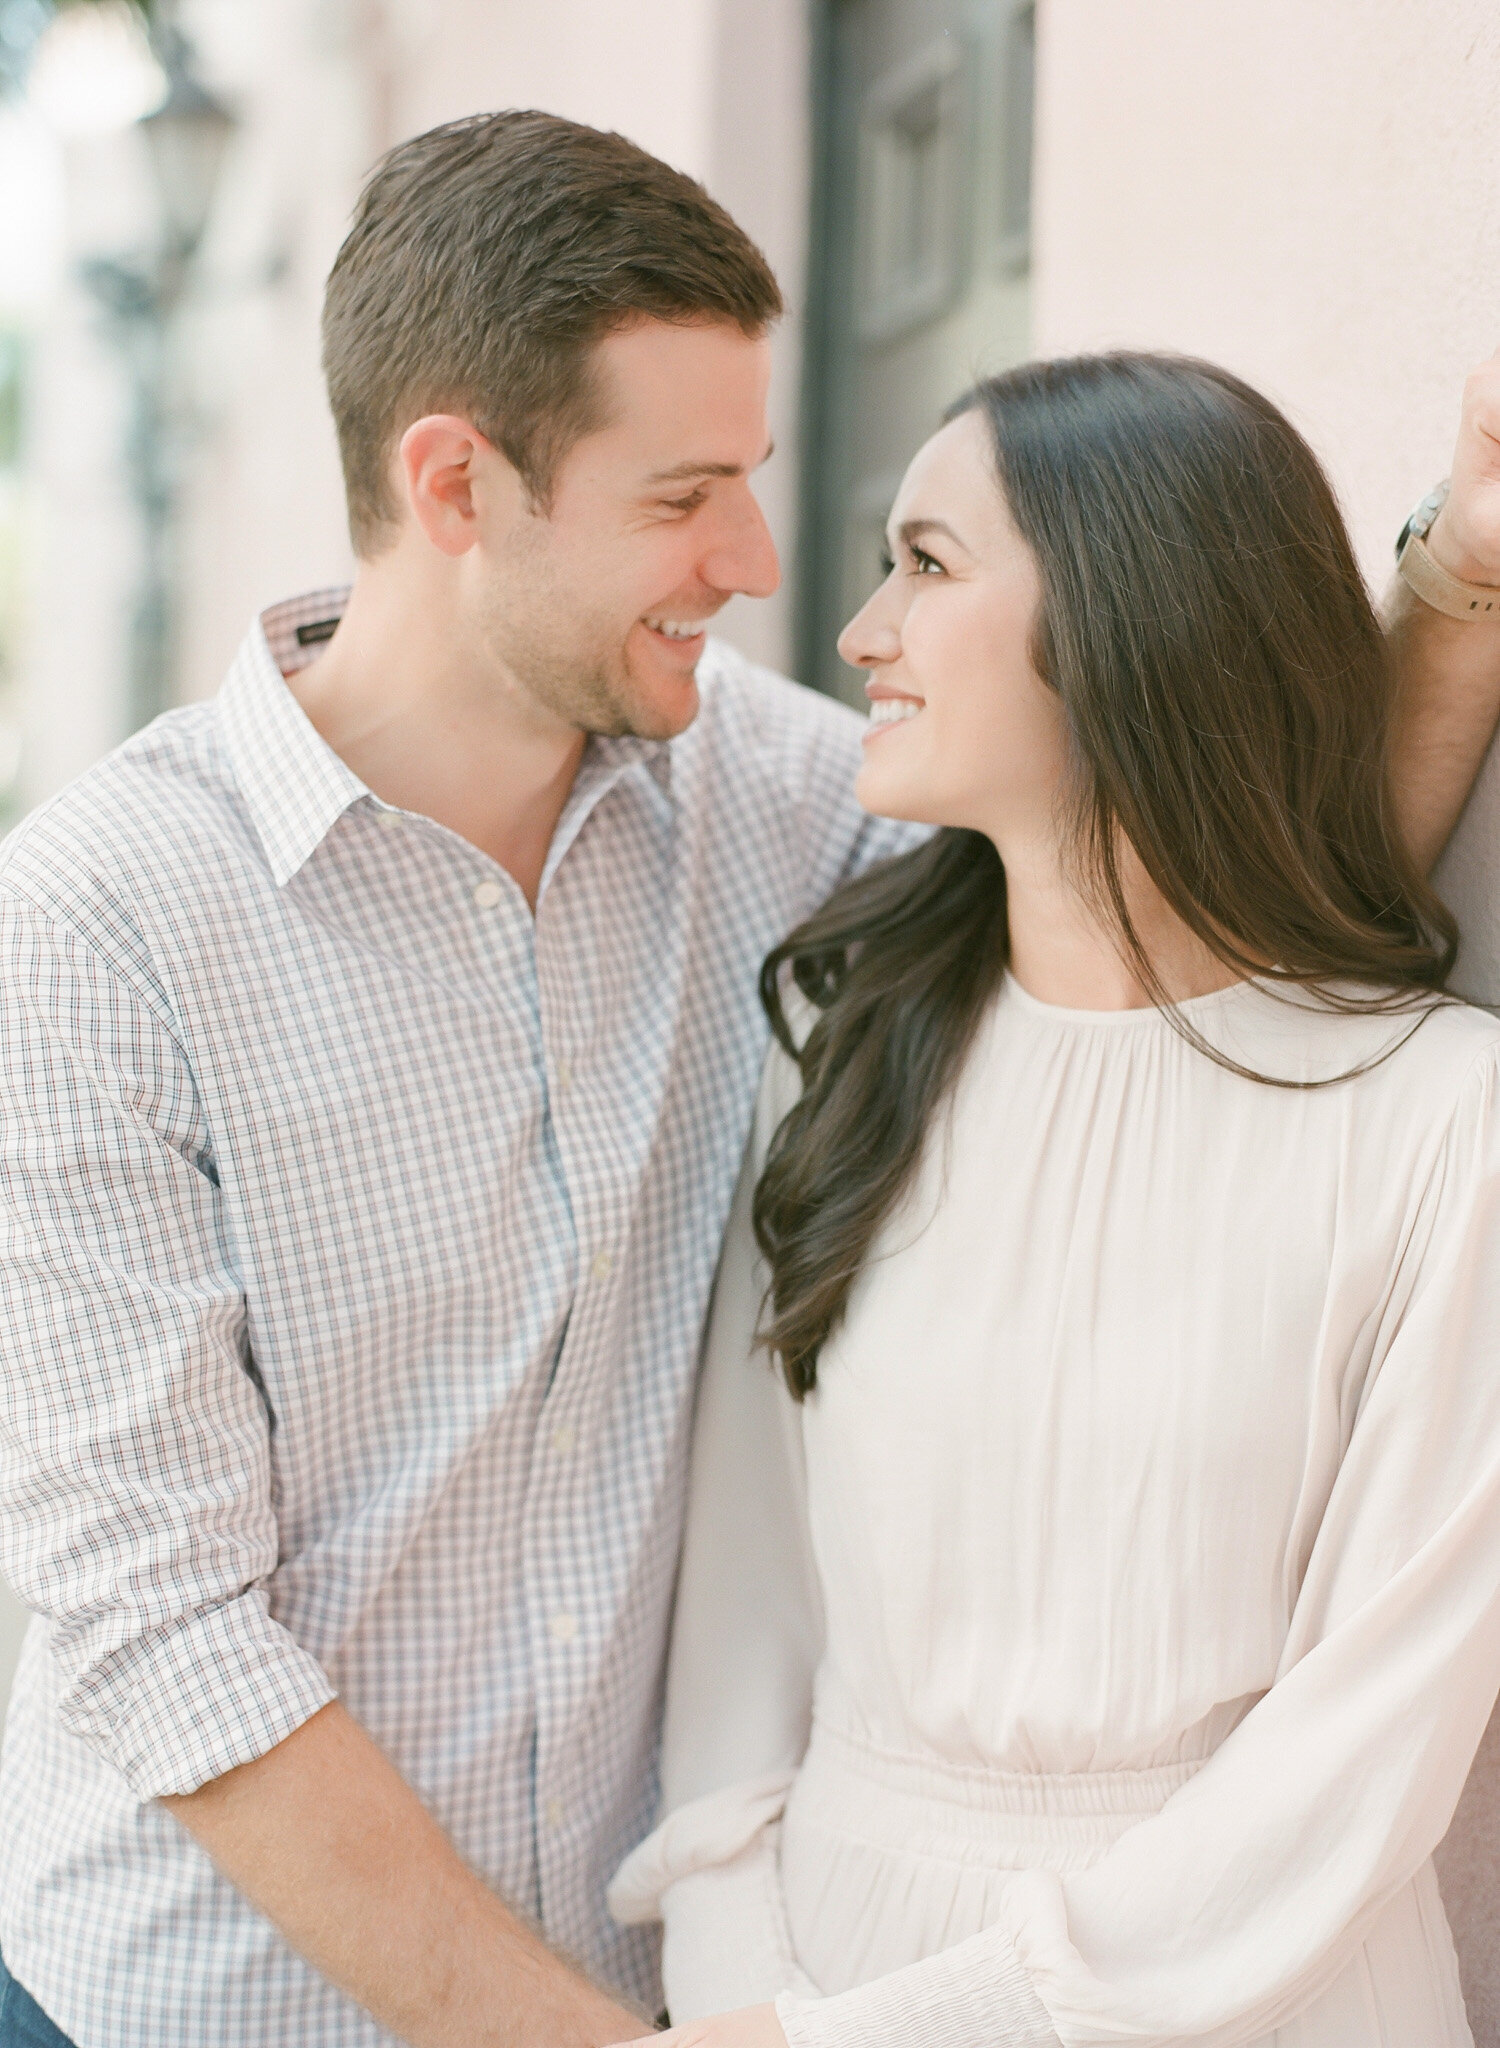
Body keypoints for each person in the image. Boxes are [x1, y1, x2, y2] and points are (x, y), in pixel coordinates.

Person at [0, 107, 1495, 2048]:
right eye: (685, 492)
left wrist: (1451, 602)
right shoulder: (89, 924)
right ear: (457, 484)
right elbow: (160, 1629)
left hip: (711, 1990)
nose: (762, 565)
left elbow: (1171, 858)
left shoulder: (783, 810)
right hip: (237, 2003)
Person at [607, 353, 1500, 2048]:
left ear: (1133, 619)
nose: (860, 631)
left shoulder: (1445, 1123)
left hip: (1259, 1997)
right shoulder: (842, 1053)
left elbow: (1365, 1763)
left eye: (928, 566)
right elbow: (742, 1645)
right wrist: (742, 1992)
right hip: (814, 1970)